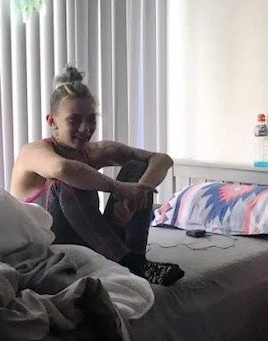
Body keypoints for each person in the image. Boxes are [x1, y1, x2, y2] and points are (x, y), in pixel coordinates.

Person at [10, 65, 184, 286]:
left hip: (96, 244)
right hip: (52, 249)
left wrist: (135, 195)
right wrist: (118, 189)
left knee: (136, 166)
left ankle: (136, 259)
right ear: (52, 121)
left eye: (91, 119)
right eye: (74, 120)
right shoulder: (33, 152)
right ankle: (131, 263)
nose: (85, 128)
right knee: (66, 181)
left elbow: (162, 159)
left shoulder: (94, 151)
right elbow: (63, 170)